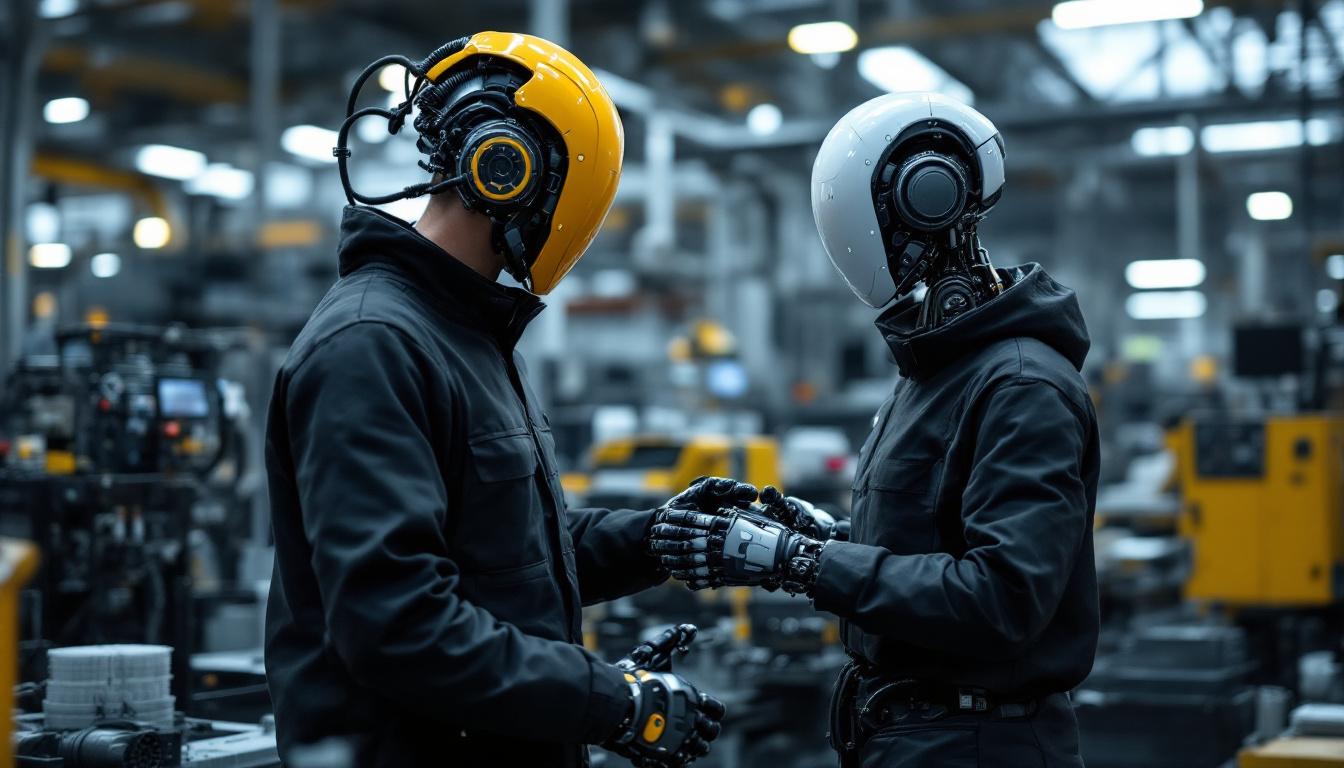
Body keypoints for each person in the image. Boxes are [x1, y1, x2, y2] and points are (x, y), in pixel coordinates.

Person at [263, 32, 735, 768]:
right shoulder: (371, 346)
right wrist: (612, 701)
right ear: (508, 168)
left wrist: (662, 538)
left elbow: (503, 550)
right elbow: (398, 624)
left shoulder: (463, 333)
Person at [648, 93, 1099, 767]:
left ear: (932, 201)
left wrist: (800, 563)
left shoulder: (1020, 386)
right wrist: (820, 537)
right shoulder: (937, 369)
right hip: (915, 733)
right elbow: (932, 543)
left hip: (977, 744)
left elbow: (1001, 600)